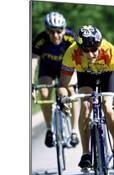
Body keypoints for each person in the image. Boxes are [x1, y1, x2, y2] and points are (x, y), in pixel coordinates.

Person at [58, 25, 114, 172]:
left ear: (100, 45)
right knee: (85, 107)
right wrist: (63, 98)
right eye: (85, 50)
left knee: (108, 109)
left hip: (107, 76)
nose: (91, 54)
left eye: (94, 49)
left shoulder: (110, 51)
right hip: (85, 77)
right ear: (79, 48)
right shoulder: (71, 53)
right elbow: (63, 85)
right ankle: (86, 154)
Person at [32, 11, 80, 148]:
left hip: (67, 69)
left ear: (64, 29)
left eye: (59, 31)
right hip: (47, 68)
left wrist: (77, 77)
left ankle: (74, 131)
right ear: (47, 31)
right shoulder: (40, 40)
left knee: (72, 91)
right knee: (44, 93)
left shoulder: (71, 38)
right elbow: (33, 61)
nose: (56, 35)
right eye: (51, 32)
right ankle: (49, 129)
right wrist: (30, 83)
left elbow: (79, 59)